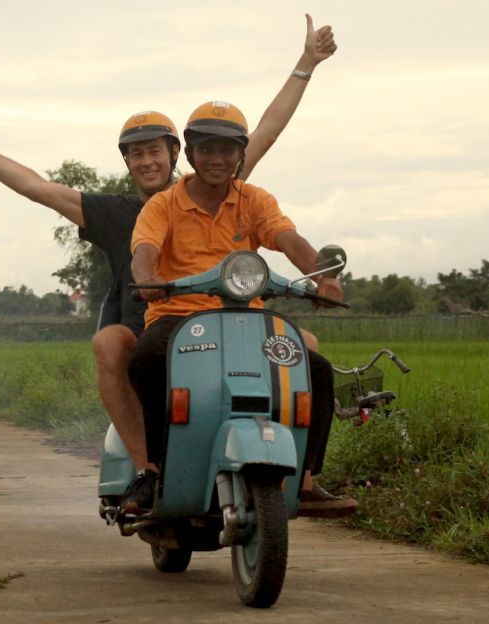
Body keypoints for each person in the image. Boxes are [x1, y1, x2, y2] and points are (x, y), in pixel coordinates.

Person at [0, 15, 336, 502]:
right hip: (151, 320)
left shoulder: (226, 181)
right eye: (137, 154)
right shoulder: (118, 211)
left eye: (156, 152)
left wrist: (306, 63)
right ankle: (150, 467)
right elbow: (37, 188)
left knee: (309, 348)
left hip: (232, 317)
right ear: (128, 162)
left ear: (178, 154)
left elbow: (267, 132)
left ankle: (305, 474)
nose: (147, 161)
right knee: (113, 344)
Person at [128, 100, 354, 517]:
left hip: (245, 317)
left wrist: (322, 277)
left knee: (316, 369)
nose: (217, 159)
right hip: (177, 317)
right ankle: (154, 471)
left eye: (227, 150)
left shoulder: (254, 200)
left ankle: (305, 480)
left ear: (240, 154)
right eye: (207, 149)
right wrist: (147, 280)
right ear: (190, 153)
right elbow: (145, 249)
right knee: (145, 358)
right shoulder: (163, 205)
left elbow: (289, 239)